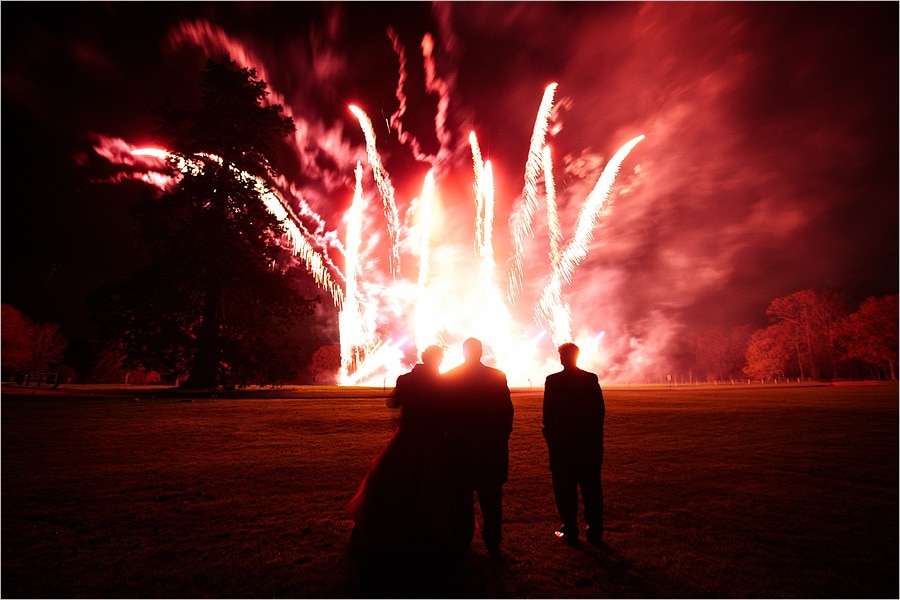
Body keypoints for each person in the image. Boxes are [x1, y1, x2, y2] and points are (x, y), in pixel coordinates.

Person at [345, 344, 446, 560]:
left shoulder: (405, 379)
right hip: (432, 436)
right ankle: (430, 529)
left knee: (394, 478)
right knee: (430, 481)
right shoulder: (441, 381)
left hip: (407, 434)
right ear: (436, 360)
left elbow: (393, 403)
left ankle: (390, 525)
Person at [442, 337, 514, 556]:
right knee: (491, 499)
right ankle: (493, 541)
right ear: (481, 352)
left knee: (462, 499)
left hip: (460, 448)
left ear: (463, 352)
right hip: (489, 449)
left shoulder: (451, 377)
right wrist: (501, 438)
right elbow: (506, 412)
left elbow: (444, 415)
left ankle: (462, 541)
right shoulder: (497, 376)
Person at [542, 342, 606, 546]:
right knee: (592, 489)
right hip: (588, 446)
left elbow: (547, 415)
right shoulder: (590, 379)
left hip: (563, 447)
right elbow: (599, 412)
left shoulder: (552, 381)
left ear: (562, 358)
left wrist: (552, 439)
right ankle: (594, 530)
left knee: (564, 490)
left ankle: (570, 527)